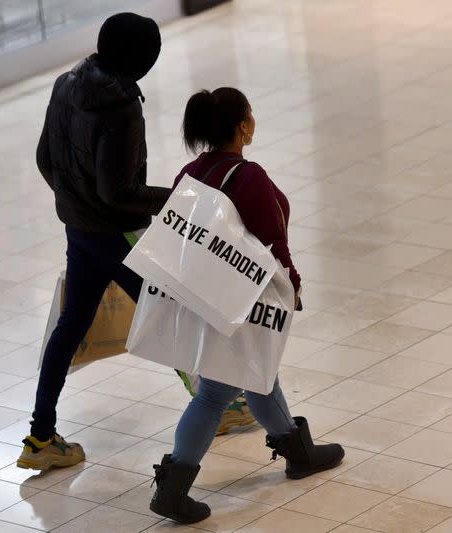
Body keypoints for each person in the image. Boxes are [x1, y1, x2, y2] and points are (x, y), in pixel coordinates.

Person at [18, 14, 252, 472]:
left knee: (71, 325)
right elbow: (118, 192)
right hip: (116, 232)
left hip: (80, 228)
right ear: (142, 59)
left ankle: (40, 436)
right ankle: (219, 406)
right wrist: (180, 199)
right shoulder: (122, 109)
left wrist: (75, 203)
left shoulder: (66, 84)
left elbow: (47, 159)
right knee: (170, 311)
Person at [148, 88, 345, 524]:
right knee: (217, 390)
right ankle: (174, 487)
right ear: (242, 126)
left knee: (257, 370)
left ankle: (297, 449)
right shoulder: (248, 176)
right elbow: (274, 242)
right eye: (250, 114)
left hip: (205, 292)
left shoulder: (191, 172)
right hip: (243, 298)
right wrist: (292, 285)